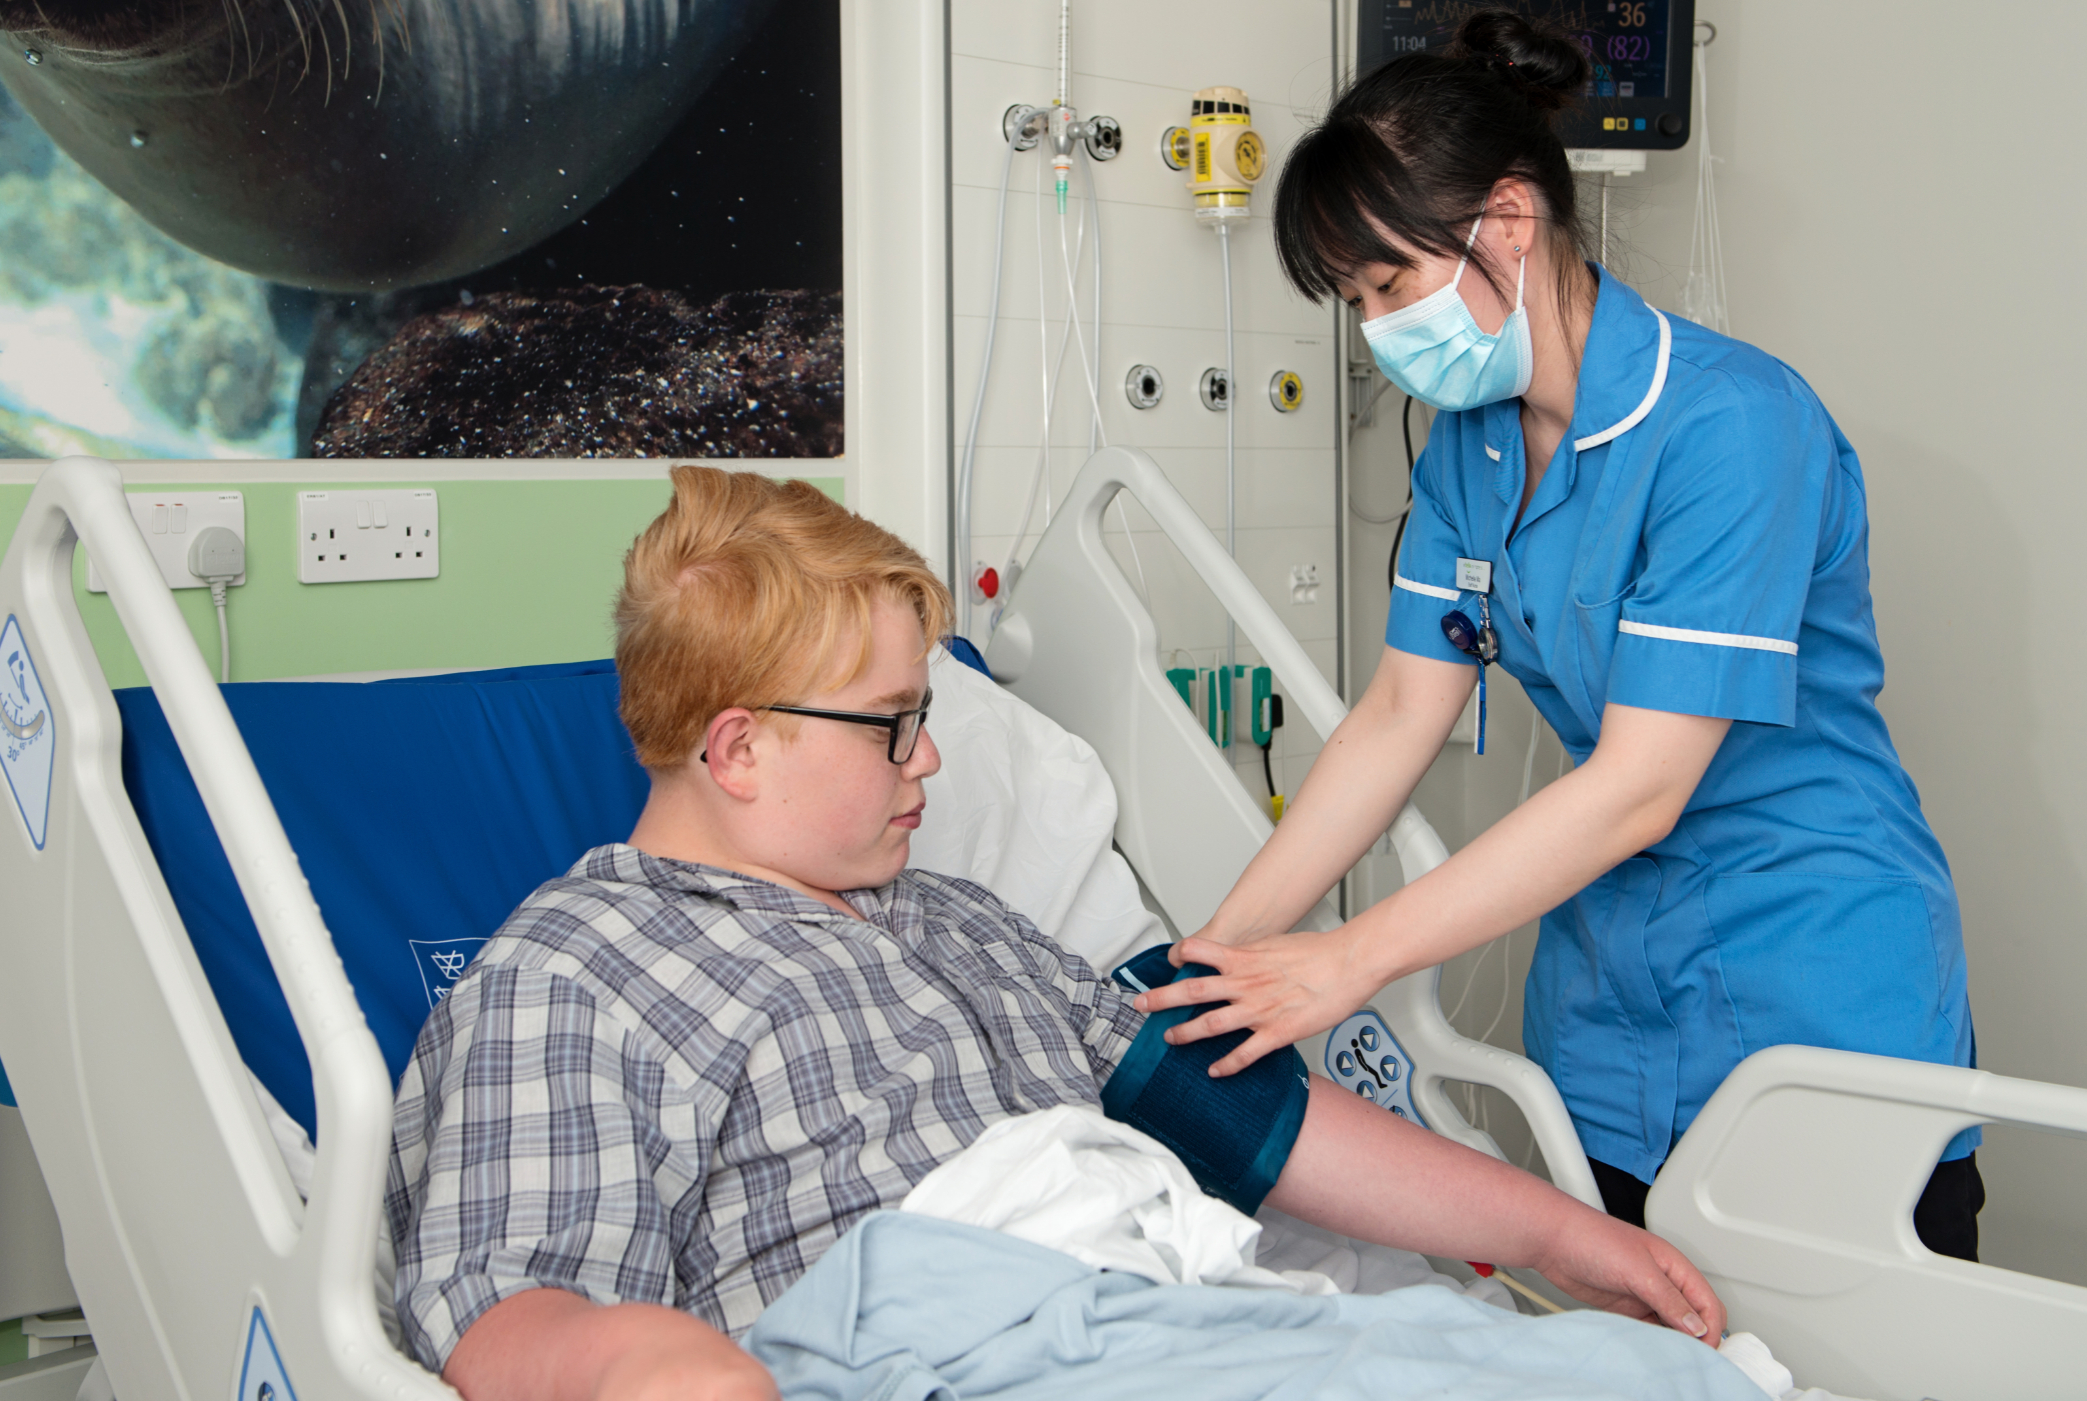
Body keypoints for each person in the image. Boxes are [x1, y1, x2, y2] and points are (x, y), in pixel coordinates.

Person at [384, 465, 1724, 1401]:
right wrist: (640, 1369)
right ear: (738, 747)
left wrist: (1558, 1234)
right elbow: (506, 1297)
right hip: (931, 1336)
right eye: (897, 724)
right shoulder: (581, 968)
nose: (932, 765)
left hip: (1163, 1315)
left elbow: (1250, 1116)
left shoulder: (958, 919)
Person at [1128, 8, 1982, 1258]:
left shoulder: (1732, 428)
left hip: (1810, 965)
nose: (1375, 331)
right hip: (1611, 985)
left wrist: (1346, 962)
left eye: (1388, 286)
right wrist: (1222, 953)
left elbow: (1641, 787)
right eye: (1354, 302)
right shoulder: (1470, 449)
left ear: (1508, 224)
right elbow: (1397, 715)